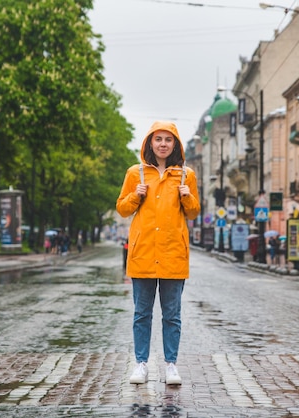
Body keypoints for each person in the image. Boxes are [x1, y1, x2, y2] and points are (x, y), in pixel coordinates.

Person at [116, 121, 200, 386]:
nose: (163, 144)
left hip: (174, 253)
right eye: (158, 139)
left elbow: (194, 212)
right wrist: (134, 197)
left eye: (168, 139)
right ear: (149, 143)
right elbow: (122, 209)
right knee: (142, 313)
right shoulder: (135, 173)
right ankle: (141, 364)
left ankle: (171, 365)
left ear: (175, 144)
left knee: (172, 315)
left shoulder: (187, 175)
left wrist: (187, 196)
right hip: (142, 253)